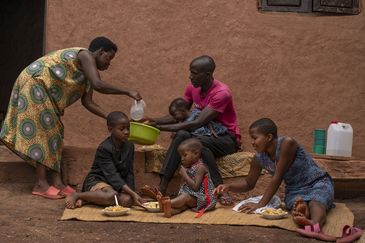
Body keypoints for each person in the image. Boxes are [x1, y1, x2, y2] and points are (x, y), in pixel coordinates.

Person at [0, 36, 142, 199]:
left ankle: (57, 182)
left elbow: (88, 102)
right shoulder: (85, 55)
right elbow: (98, 84)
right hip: (35, 83)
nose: (108, 64)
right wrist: (127, 91)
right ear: (100, 51)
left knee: (56, 131)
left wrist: (110, 118)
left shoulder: (87, 77)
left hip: (45, 93)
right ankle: (40, 183)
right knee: (42, 130)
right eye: (108, 58)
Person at [214, 118, 337, 241]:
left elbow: (277, 177)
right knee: (299, 204)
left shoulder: (287, 144)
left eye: (255, 138)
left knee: (316, 200)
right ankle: (305, 214)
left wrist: (260, 205)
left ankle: (315, 225)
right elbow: (248, 183)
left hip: (317, 182)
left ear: (268, 137)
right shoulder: (258, 158)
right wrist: (229, 186)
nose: (252, 142)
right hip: (295, 191)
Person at [151, 55, 241, 206]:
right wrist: (153, 121)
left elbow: (197, 123)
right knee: (182, 134)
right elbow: (179, 115)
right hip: (202, 135)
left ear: (207, 74)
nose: (190, 76)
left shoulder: (221, 93)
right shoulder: (193, 87)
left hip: (226, 138)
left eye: (194, 73)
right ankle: (162, 187)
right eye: (190, 72)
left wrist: (161, 128)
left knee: (197, 142)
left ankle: (221, 189)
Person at [65, 111, 144, 209]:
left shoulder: (129, 146)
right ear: (110, 129)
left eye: (128, 128)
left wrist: (132, 194)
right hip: (98, 180)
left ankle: (89, 199)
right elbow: (112, 175)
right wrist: (132, 193)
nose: (126, 132)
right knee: (112, 196)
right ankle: (77, 195)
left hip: (116, 185)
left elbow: (129, 172)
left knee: (127, 201)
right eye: (122, 129)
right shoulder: (104, 148)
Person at [158, 138, 216, 218]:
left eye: (185, 155)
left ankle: (164, 204)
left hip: (203, 199)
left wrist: (184, 174)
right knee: (183, 204)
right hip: (193, 197)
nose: (182, 159)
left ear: (196, 154)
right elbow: (184, 185)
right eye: (181, 156)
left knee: (185, 197)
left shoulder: (201, 167)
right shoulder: (189, 167)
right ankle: (171, 211)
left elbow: (196, 187)